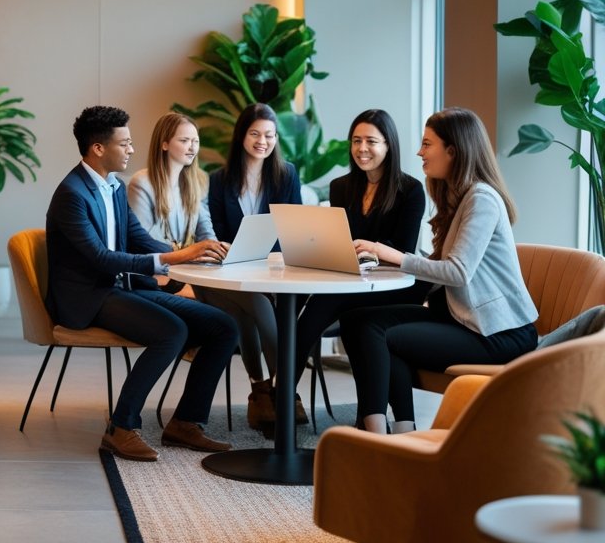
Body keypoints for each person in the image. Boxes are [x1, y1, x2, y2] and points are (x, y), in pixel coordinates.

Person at [46, 106, 238, 462]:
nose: (132, 150)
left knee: (223, 327)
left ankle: (186, 422)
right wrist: (173, 259)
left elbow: (136, 238)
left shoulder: (113, 186)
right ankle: (121, 427)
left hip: (119, 289)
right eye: (125, 143)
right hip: (87, 297)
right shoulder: (72, 194)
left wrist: (192, 254)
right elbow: (101, 258)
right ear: (98, 149)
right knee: (171, 331)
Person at [343, 107, 539, 434]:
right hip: (460, 318)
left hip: (496, 334)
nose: (419, 152)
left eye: (427, 143)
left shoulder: (482, 199)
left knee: (383, 335)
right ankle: (398, 429)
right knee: (358, 319)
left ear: (453, 150)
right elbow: (440, 267)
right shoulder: (457, 196)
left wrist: (388, 253)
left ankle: (377, 430)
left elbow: (458, 272)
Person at [290, 109, 427, 408]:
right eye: (356, 141)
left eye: (371, 141)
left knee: (335, 315)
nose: (362, 149)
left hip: (391, 286)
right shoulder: (342, 187)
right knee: (304, 320)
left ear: (388, 145)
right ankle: (283, 400)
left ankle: (366, 414)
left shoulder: (411, 190)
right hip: (351, 281)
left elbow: (403, 248)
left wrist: (369, 250)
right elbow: (341, 238)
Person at [205, 103, 303, 430]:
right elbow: (217, 231)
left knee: (253, 303)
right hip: (228, 273)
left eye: (270, 135)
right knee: (252, 302)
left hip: (273, 271)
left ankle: (263, 390)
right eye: (256, 134)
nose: (263, 141)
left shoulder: (286, 174)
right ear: (242, 135)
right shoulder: (219, 181)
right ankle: (283, 390)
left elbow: (294, 226)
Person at [127, 113, 228, 294]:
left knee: (252, 301)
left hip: (188, 271)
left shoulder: (199, 181)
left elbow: (206, 232)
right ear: (164, 144)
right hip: (156, 278)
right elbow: (145, 244)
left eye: (195, 141)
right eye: (184, 141)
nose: (192, 148)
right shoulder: (141, 183)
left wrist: (217, 249)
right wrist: (193, 253)